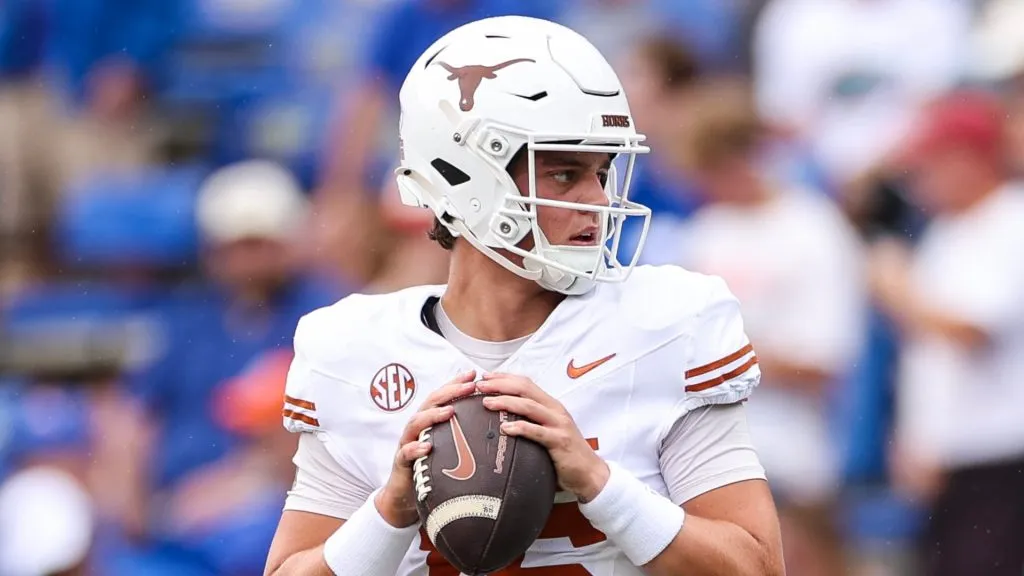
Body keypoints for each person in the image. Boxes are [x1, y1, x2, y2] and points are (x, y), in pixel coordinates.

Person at [264, 16, 784, 576]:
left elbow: (756, 566)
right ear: (465, 176)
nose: (599, 202)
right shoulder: (354, 350)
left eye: (603, 173)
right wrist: (389, 511)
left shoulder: (668, 324)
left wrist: (600, 484)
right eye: (565, 174)